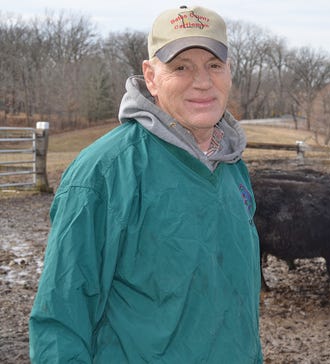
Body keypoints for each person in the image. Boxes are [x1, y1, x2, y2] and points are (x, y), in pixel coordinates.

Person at [29, 5, 263, 362]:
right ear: (151, 77)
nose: (202, 82)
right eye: (181, 67)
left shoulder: (232, 167)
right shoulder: (103, 173)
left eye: (213, 65)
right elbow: (60, 322)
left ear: (229, 72)